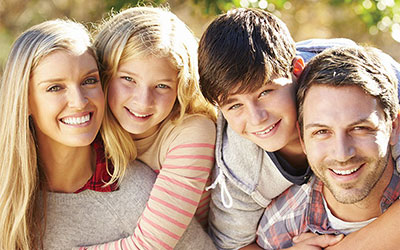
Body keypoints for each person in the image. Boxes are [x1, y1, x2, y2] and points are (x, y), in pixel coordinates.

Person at [0, 18, 215, 250]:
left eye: (89, 81)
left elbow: (151, 244)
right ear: (23, 100)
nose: (79, 102)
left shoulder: (140, 187)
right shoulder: (11, 191)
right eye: (55, 87)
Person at [198, 7, 400, 250]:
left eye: (265, 92)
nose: (257, 118)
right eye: (234, 105)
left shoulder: (362, 85)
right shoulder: (240, 170)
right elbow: (232, 245)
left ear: (296, 70)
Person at [79, 6, 217, 250]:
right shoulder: (90, 125)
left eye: (162, 86)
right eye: (128, 80)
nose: (143, 101)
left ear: (181, 88)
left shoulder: (191, 131)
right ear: (104, 74)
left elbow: (150, 245)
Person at [255, 45, 400, 249]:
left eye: (359, 128)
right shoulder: (280, 228)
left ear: (393, 127)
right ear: (303, 139)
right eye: (321, 132)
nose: (341, 154)